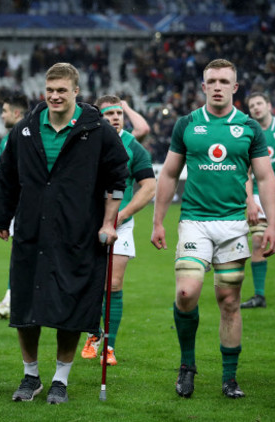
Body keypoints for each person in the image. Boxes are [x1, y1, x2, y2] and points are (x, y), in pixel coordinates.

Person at [0, 62, 129, 405]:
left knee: (70, 305)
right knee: (25, 306)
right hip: (31, 231)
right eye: (50, 90)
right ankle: (31, 375)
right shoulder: (25, 128)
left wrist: (109, 222)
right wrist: (1, 218)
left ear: (76, 92)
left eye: (62, 91)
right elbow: (7, 176)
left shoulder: (96, 129)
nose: (54, 96)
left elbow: (117, 178)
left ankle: (60, 380)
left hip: (78, 232)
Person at [151, 59, 275, 399]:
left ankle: (229, 378)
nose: (218, 86)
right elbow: (168, 173)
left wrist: (271, 224)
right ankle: (187, 365)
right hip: (194, 222)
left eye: (225, 81)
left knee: (229, 301)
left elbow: (266, 178)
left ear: (235, 88)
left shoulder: (250, 127)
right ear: (203, 86)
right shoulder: (187, 124)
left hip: (235, 226)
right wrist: (158, 221)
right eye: (212, 81)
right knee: (186, 293)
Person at [80, 95, 156, 366]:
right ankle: (93, 333)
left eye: (118, 114)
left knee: (113, 284)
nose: (114, 118)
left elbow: (149, 187)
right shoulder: (85, 140)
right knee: (87, 283)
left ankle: (109, 345)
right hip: (87, 222)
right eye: (108, 114)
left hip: (120, 225)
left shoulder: (133, 146)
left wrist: (122, 214)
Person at [242, 92, 275, 309]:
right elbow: (246, 173)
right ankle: (259, 296)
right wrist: (250, 200)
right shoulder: (249, 134)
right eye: (252, 105)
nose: (256, 108)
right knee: (258, 241)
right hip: (259, 195)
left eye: (259, 103)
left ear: (269, 105)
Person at [0, 92, 29, 319]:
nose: (2, 116)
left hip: (29, 205)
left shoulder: (28, 133)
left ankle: (12, 300)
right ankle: (11, 299)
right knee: (21, 253)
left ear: (15, 112)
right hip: (18, 205)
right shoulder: (8, 138)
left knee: (24, 254)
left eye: (4, 111)